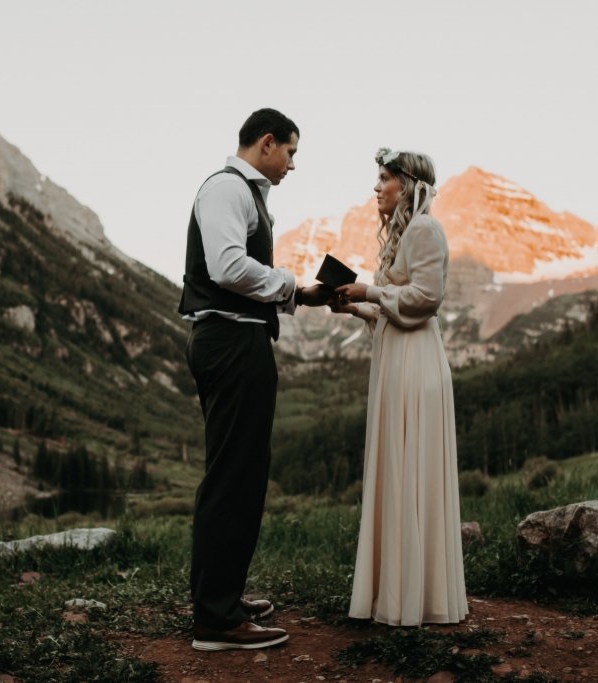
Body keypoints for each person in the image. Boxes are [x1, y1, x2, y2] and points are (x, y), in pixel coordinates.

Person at [178, 108, 331, 651]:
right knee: (233, 475)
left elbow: (237, 271)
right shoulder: (227, 189)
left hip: (237, 338)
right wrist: (292, 284)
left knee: (242, 470)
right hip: (230, 341)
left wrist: (297, 295)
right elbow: (226, 266)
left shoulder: (243, 193)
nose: (292, 164)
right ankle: (216, 621)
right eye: (291, 151)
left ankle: (221, 598)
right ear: (267, 143)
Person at [333, 147, 468, 626]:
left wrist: (371, 291)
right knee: (398, 466)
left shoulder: (426, 229)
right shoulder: (405, 233)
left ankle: (416, 597)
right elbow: (395, 306)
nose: (376, 187)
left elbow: (426, 299)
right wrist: (356, 306)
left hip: (417, 365)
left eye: (385, 178)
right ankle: (396, 593)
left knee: (411, 467)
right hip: (397, 360)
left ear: (407, 184)